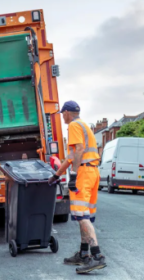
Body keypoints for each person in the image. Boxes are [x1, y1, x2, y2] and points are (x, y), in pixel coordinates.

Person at [48, 101, 107, 274]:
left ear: (67, 112)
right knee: (84, 215)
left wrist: (72, 176)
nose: (62, 117)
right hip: (93, 173)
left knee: (82, 217)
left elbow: (79, 151)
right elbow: (71, 156)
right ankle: (83, 254)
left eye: (62, 114)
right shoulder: (83, 126)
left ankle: (97, 257)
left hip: (83, 174)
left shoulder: (74, 125)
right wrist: (57, 175)